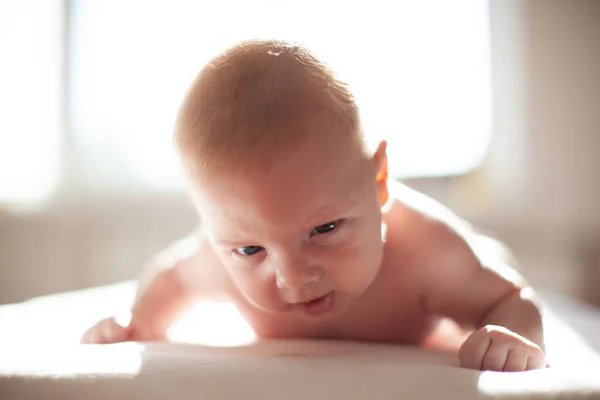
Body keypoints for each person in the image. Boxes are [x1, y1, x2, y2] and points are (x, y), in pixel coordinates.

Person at [81, 39, 546, 372]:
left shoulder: (428, 254)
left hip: (464, 256)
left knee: (488, 260)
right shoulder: (215, 260)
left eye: (324, 229)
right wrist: (137, 322)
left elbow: (510, 297)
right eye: (250, 251)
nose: (293, 277)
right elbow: (172, 277)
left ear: (377, 181)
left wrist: (512, 335)